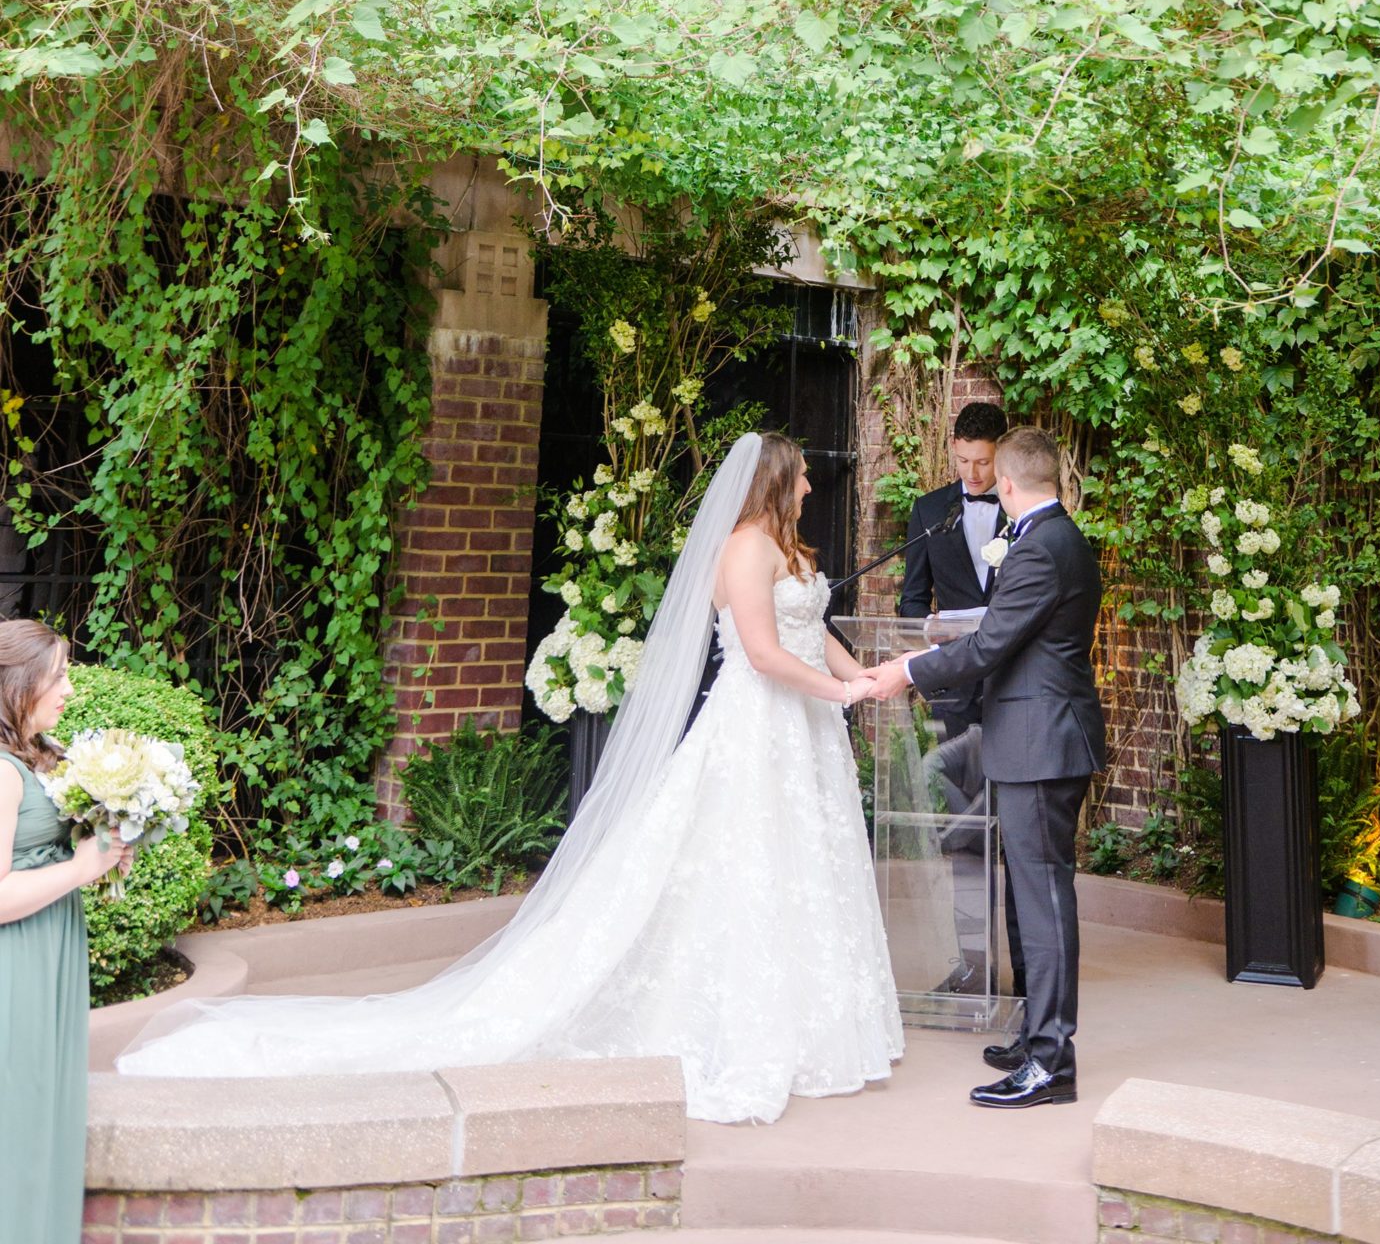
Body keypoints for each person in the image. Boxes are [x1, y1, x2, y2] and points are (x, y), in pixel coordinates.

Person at [121, 433, 902, 1124]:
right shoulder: (742, 548)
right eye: (799, 477)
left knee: (797, 870)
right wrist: (839, 693)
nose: (808, 487)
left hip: (801, 731)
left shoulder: (794, 551)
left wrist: (859, 678)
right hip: (754, 728)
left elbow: (812, 631)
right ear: (774, 481)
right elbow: (764, 655)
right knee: (733, 871)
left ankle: (806, 1029)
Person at [870, 424, 1104, 1108]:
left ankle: (1050, 1061)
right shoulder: (1053, 537)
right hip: (1038, 737)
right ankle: (1036, 1033)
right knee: (1038, 894)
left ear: (1005, 483)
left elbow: (989, 645)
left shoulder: (1040, 549)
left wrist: (905, 669)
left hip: (1042, 741)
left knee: (1043, 901)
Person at [1, 621, 131, 1244]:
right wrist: (80, 867)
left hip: (49, 952)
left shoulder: (41, 753)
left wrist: (100, 849)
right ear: (20, 683)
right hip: (14, 966)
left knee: (46, 1114)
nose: (70, 689)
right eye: (60, 676)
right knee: (18, 1119)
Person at [899, 399, 1009, 738]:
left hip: (1011, 680)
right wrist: (931, 628)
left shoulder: (1020, 511)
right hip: (954, 683)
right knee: (956, 787)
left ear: (1002, 456)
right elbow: (912, 600)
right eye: (963, 461)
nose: (972, 474)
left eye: (983, 462)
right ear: (953, 449)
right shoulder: (928, 510)